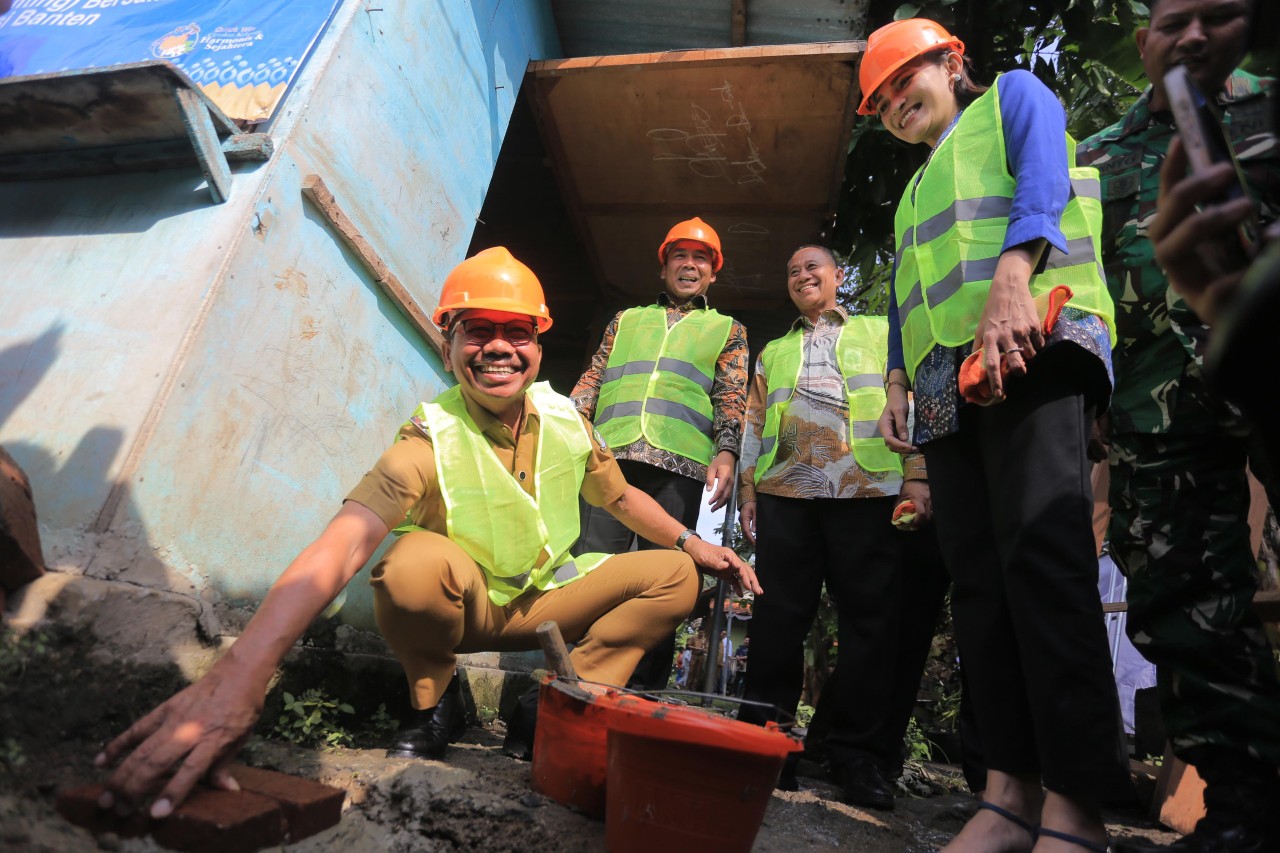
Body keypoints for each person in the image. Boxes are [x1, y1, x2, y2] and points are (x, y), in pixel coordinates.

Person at [91, 247, 759, 819]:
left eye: (517, 330)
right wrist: (241, 671)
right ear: (449, 342)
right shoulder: (428, 433)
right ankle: (433, 700)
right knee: (407, 563)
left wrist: (693, 542)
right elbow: (348, 539)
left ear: (539, 342)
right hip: (462, 604)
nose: (499, 346)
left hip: (543, 602)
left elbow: (620, 496)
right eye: (477, 330)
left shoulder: (566, 419)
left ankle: (557, 704)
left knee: (675, 574)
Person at [867, 18, 1130, 852]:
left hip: (1029, 336)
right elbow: (911, 294)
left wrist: (1015, 275)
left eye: (904, 79)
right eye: (878, 103)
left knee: (1044, 559)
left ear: (952, 63)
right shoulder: (910, 192)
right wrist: (899, 381)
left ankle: (1077, 806)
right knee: (978, 579)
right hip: (946, 377)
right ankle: (1009, 794)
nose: (894, 104)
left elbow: (1044, 181)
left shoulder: (1013, 97)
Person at [1079, 0, 1280, 848]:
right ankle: (1247, 810)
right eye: (1174, 20)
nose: (1194, 36)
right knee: (1180, 608)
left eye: (1221, 14)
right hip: (1156, 417)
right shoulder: (1092, 158)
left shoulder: (1271, 112)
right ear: (1143, 43)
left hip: (1271, 377)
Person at [736, 244, 932, 810]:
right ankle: (762, 746)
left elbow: (910, 405)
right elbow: (754, 423)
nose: (802, 275)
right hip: (785, 493)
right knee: (776, 621)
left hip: (866, 491)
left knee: (871, 625)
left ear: (838, 277)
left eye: (812, 267)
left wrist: (916, 473)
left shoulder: (877, 332)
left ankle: (857, 757)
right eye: (792, 270)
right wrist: (749, 488)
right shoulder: (773, 350)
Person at [571, 217, 749, 690]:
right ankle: (572, 685)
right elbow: (592, 379)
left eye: (701, 259)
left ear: (713, 273)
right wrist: (568, 427)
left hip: (679, 468)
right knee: (593, 571)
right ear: (664, 266)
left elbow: (731, 397)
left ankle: (640, 695)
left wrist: (727, 453)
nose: (689, 266)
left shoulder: (728, 330)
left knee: (663, 582)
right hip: (609, 460)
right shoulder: (625, 320)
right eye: (680, 256)